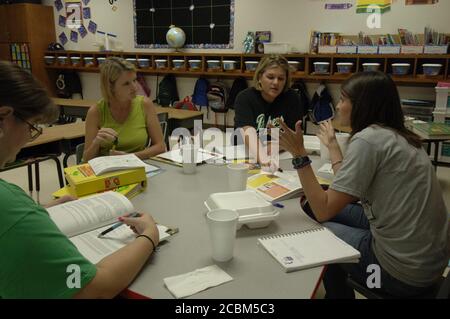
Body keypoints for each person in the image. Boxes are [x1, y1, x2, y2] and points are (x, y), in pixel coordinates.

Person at [279, 71, 449, 298]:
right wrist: (333, 146)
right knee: (311, 205)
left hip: (398, 276)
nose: (337, 106)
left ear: (362, 105)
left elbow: (323, 210)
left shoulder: (368, 140)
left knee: (315, 230)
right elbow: (351, 187)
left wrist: (299, 155)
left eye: (343, 99)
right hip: (425, 265)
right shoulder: (396, 135)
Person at [0, 61, 160, 298]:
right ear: (3, 119)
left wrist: (39, 210)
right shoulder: (9, 204)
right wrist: (149, 236)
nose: (28, 138)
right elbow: (95, 287)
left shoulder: (14, 208)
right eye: (31, 126)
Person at [83, 57, 166, 161]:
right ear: (111, 87)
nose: (135, 87)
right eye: (126, 83)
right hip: (108, 171)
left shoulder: (145, 104)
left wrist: (129, 157)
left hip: (138, 166)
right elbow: (85, 160)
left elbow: (161, 147)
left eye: (135, 80)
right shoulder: (95, 112)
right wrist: (96, 143)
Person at [234, 55, 305, 171]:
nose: (276, 82)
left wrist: (276, 146)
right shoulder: (245, 98)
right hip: (247, 154)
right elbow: (248, 131)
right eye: (270, 77)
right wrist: (264, 160)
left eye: (281, 78)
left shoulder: (292, 98)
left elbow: (293, 136)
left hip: (281, 156)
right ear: (260, 77)